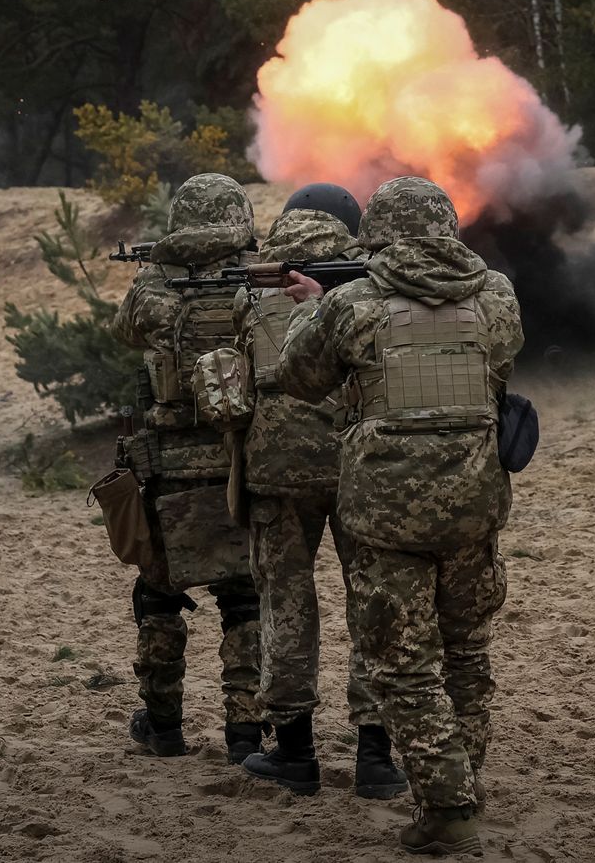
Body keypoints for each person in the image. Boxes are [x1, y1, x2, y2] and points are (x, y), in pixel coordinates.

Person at [278, 176, 523, 855]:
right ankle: (464, 780)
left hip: (388, 513)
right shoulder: (498, 294)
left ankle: (448, 806)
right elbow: (500, 360)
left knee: (402, 663)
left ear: (377, 236)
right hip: (476, 503)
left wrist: (313, 308)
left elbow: (301, 377)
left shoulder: (352, 305)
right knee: (466, 652)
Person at [234, 184, 407, 799]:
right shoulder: (371, 288)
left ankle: (296, 753)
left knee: (286, 603)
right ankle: (377, 758)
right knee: (373, 603)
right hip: (358, 462)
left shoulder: (250, 288)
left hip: (277, 469)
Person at [111, 172, 264, 764]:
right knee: (245, 599)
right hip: (239, 463)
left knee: (157, 597)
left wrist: (158, 271)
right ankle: (245, 733)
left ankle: (164, 724)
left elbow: (123, 330)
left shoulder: (155, 290)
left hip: (169, 469)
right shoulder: (257, 279)